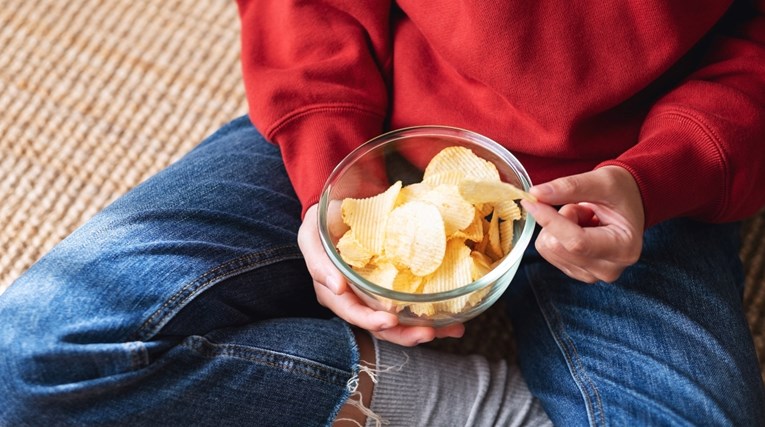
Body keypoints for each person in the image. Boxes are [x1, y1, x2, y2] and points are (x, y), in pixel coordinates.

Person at [2, 0, 765, 425]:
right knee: (36, 347)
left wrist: (667, 171)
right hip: (379, 120)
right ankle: (493, 411)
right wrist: (333, 161)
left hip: (638, 174)